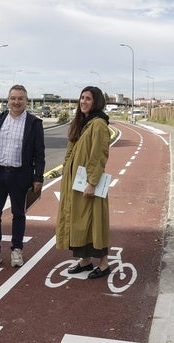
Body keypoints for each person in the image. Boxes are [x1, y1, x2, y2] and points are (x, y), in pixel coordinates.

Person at [0, 84, 45, 268]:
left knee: (18, 214)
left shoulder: (34, 123)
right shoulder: (0, 120)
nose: (16, 102)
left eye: (20, 98)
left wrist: (38, 177)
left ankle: (17, 250)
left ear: (26, 101)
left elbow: (39, 153)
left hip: (20, 175)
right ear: (8, 100)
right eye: (13, 98)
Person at [56, 86, 111, 279]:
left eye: (88, 99)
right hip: (75, 182)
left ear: (96, 102)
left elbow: (99, 155)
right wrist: (65, 169)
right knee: (79, 223)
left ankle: (104, 264)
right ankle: (85, 260)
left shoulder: (99, 124)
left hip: (89, 183)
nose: (84, 102)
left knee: (94, 222)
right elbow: (71, 149)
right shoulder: (82, 122)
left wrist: (92, 182)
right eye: (82, 98)